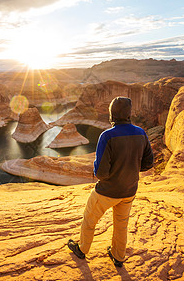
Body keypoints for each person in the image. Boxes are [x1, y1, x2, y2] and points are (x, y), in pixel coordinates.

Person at [68, 96, 154, 267]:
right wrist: (129, 171)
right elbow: (148, 163)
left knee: (89, 220)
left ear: (111, 115)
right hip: (130, 190)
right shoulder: (141, 133)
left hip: (107, 191)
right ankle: (118, 256)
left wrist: (104, 170)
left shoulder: (107, 136)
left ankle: (82, 249)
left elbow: (101, 172)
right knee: (121, 225)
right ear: (129, 114)